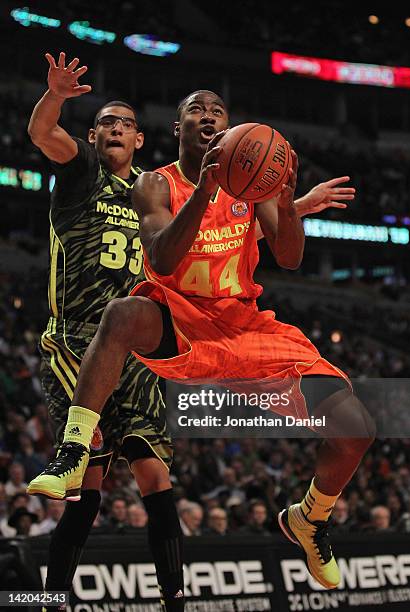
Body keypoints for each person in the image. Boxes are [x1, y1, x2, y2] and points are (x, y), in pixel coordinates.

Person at [29, 89, 369, 591]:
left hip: (248, 329)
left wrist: (286, 200)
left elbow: (291, 257)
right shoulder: (153, 185)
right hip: (181, 320)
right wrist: (207, 188)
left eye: (218, 111)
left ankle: (309, 518)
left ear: (230, 129)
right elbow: (163, 260)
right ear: (177, 128)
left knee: (356, 429)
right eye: (196, 110)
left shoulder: (254, 189)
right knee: (123, 313)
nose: (208, 116)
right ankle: (74, 449)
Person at [26, 52, 184, 611]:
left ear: (140, 140)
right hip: (78, 344)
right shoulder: (79, 172)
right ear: (93, 135)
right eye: (106, 122)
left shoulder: (154, 192)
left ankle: (175, 599)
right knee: (86, 492)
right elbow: (42, 131)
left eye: (125, 123)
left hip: (136, 351)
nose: (115, 128)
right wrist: (57, 96)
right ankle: (44, 600)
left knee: (155, 477)